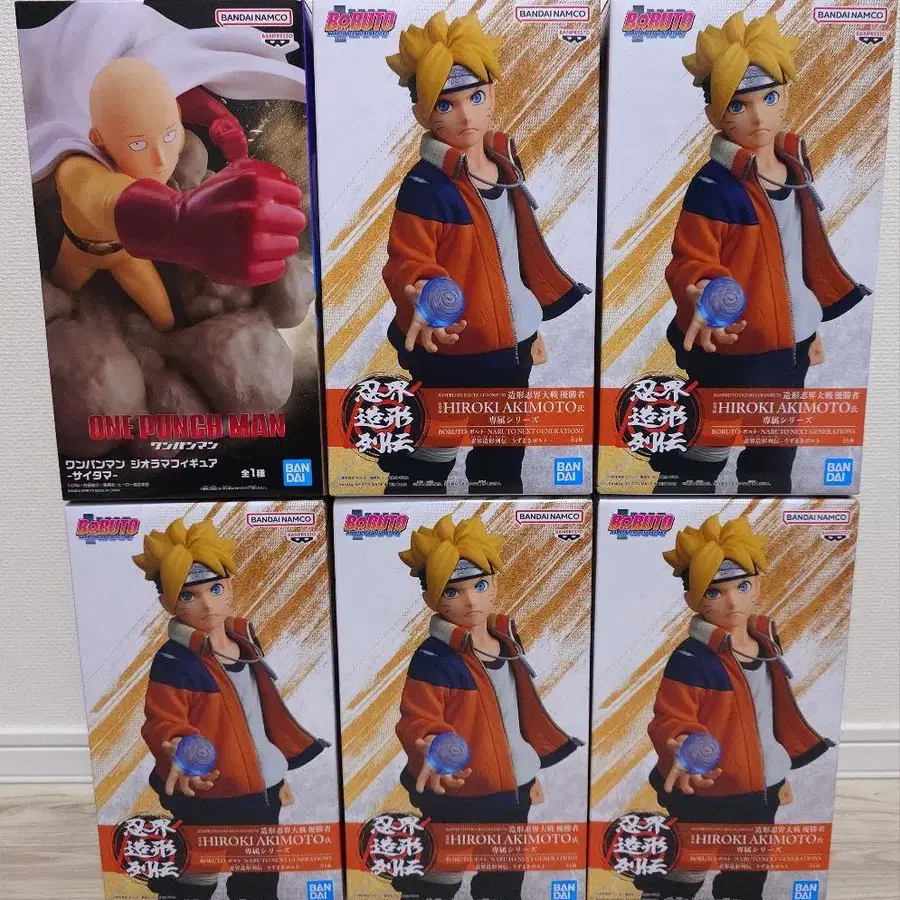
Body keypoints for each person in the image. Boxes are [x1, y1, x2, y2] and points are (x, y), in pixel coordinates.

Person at [655, 12, 869, 494]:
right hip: (732, 344)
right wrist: (707, 293)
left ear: (787, 95)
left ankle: (764, 508)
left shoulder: (796, 169)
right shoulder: (714, 185)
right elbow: (691, 257)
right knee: (702, 452)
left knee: (772, 456)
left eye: (770, 98)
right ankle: (675, 506)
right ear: (714, 113)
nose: (758, 118)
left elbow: (798, 258)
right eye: (738, 104)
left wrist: (807, 329)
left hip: (789, 346)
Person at [380, 12, 589, 494]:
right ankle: (407, 507)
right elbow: (407, 258)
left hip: (510, 346)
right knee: (430, 454)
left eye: (476, 97)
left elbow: (514, 256)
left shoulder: (505, 163)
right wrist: (424, 292)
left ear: (493, 93)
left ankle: (496, 512)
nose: (466, 116)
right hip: (451, 343)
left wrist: (527, 326)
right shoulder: (424, 185)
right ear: (421, 113)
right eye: (445, 104)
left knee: (501, 457)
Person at [133, 517, 328, 900]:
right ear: (167, 602)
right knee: (196, 876)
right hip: (208, 789)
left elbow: (259, 718)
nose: (207, 604)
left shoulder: (245, 642)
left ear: (231, 587)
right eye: (188, 596)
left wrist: (276, 773)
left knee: (258, 879)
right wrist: (179, 749)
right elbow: (163, 720)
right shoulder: (174, 661)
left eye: (216, 588)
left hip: (261, 789)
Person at [642, 514, 833, 900]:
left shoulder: (766, 644)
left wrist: (776, 773)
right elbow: (671, 716)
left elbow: (768, 718)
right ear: (692, 600)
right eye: (714, 592)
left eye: (743, 586)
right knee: (684, 871)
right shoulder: (691, 658)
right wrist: (683, 743)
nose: (732, 601)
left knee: (746, 875)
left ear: (758, 585)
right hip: (705, 788)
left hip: (760, 790)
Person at [394, 513, 583, 900]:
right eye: (452, 591)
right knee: (441, 875)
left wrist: (526, 772)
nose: (470, 601)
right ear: (431, 598)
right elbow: (418, 717)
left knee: (504, 879)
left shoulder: (506, 641)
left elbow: (515, 717)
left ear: (495, 583)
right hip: (456, 788)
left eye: (480, 585)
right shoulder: (433, 657)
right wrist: (432, 745)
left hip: (511, 790)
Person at [50, 57, 304, 331]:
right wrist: (178, 221)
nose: (160, 160)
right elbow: (100, 195)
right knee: (60, 294)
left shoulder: (166, 127)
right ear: (97, 139)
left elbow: (177, 103)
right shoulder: (74, 165)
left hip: (128, 254)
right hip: (79, 253)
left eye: (169, 136)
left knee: (165, 319)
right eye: (138, 145)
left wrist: (220, 120)